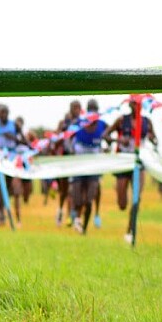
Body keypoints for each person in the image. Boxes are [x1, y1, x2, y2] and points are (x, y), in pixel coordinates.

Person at [105, 102, 159, 244]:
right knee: (122, 204)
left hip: (139, 164)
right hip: (123, 163)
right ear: (130, 104)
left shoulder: (147, 122)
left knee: (136, 199)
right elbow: (105, 135)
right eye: (134, 104)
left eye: (139, 104)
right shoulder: (121, 120)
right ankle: (118, 189)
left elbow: (155, 139)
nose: (137, 106)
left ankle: (129, 232)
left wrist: (152, 139)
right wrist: (118, 139)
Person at [69, 98, 108, 234]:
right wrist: (71, 149)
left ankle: (84, 229)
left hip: (94, 168)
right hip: (79, 166)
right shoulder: (78, 123)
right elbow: (67, 138)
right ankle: (76, 218)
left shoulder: (102, 125)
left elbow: (109, 136)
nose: (92, 113)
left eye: (94, 110)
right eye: (90, 110)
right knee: (78, 198)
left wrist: (108, 145)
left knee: (90, 200)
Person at [0, 103, 24, 226]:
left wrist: (15, 138)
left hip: (10, 160)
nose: (3, 115)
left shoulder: (13, 125)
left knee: (6, 188)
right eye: (1, 112)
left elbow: (22, 140)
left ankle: (1, 213)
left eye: (5, 112)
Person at [54, 100, 82, 226]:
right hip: (65, 158)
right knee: (64, 190)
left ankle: (72, 215)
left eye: (78, 108)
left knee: (74, 189)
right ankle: (60, 211)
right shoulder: (64, 123)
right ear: (70, 109)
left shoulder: (82, 122)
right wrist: (63, 132)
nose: (77, 110)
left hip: (77, 159)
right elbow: (56, 140)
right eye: (75, 108)